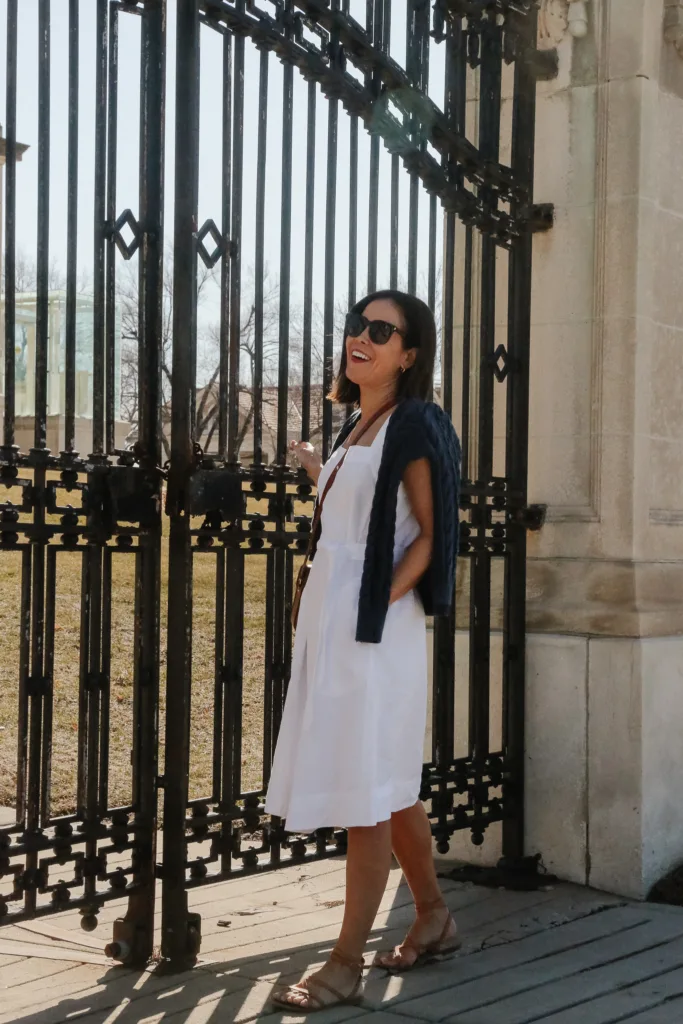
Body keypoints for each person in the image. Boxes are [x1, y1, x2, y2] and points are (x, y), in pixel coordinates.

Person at [266, 290, 461, 1013]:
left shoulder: (416, 421)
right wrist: (320, 469)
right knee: (387, 784)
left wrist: (374, 603)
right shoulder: (359, 424)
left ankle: (345, 963)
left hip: (374, 635)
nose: (363, 337)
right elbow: (365, 517)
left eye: (382, 330)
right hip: (337, 624)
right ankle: (433, 916)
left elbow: (432, 535)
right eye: (358, 324)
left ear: (408, 354)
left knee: (365, 794)